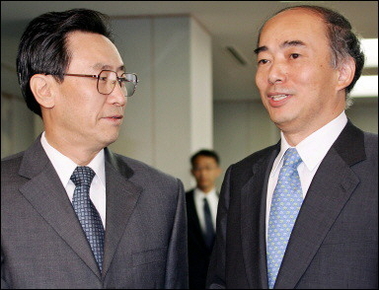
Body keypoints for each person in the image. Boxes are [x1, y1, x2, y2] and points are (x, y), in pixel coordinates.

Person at [1, 9, 188, 289]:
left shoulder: (162, 194)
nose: (119, 96)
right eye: (102, 78)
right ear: (45, 90)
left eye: (121, 80)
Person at [207, 5, 377, 289]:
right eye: (263, 60)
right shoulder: (242, 177)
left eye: (294, 55)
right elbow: (220, 281)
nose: (273, 74)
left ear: (343, 72)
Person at [186, 149, 221, 289]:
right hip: (190, 278)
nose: (203, 173)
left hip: (219, 278)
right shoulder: (181, 202)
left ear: (218, 170)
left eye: (208, 168)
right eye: (198, 168)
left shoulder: (228, 202)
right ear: (192, 171)